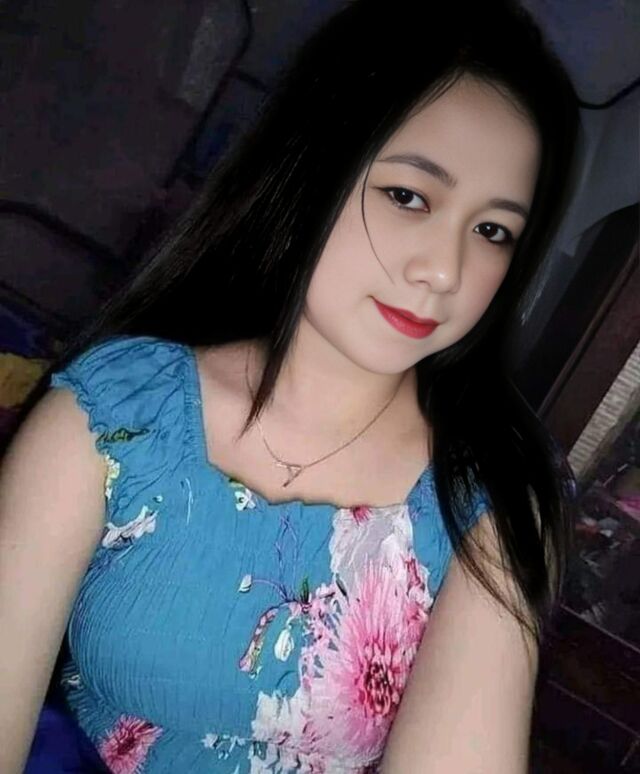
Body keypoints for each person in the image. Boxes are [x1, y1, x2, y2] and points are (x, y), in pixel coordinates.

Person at [0, 0, 579, 771]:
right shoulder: (115, 417)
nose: (445, 270)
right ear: (312, 169)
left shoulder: (491, 494)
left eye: (492, 231)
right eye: (408, 196)